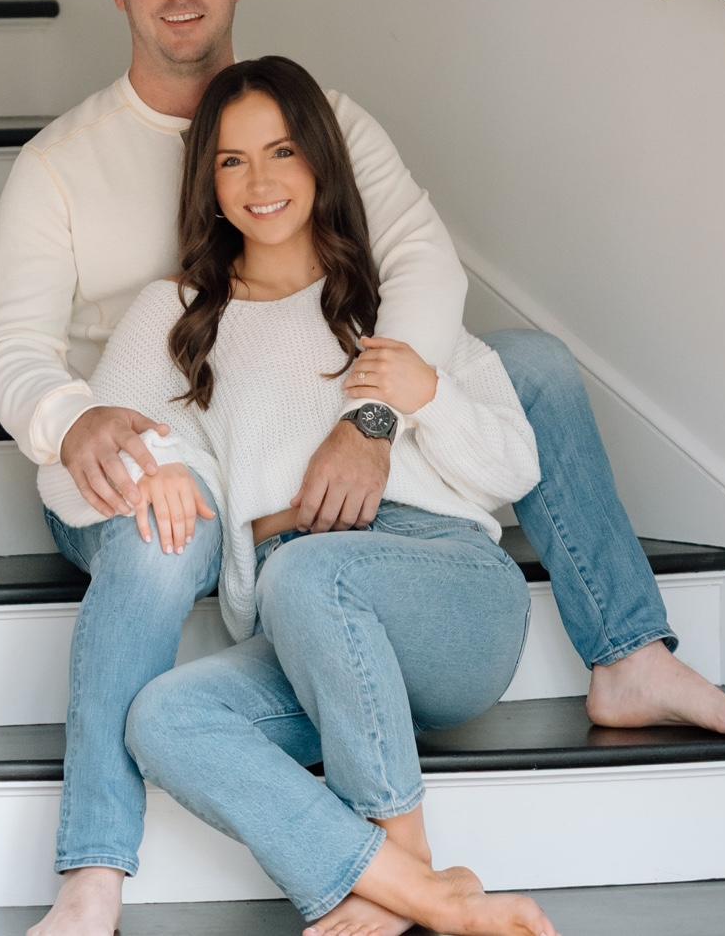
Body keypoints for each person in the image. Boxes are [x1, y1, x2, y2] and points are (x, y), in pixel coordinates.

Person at [0, 0, 725, 936]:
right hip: (137, 448)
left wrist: (381, 416)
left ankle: (623, 656)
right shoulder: (82, 193)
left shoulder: (334, 142)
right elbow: (17, 349)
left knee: (531, 367)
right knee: (173, 564)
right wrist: (90, 430)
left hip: (378, 531)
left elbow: (424, 266)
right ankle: (104, 868)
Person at [108, 54, 558, 936]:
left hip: (447, 594)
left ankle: (405, 858)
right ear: (208, 183)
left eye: (282, 152)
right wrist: (151, 466)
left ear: (320, 160)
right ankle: (418, 891)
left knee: (310, 573)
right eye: (232, 161)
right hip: (305, 632)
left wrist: (428, 394)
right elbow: (98, 438)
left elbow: (514, 467)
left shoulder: (390, 300)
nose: (260, 182)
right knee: (164, 717)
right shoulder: (181, 315)